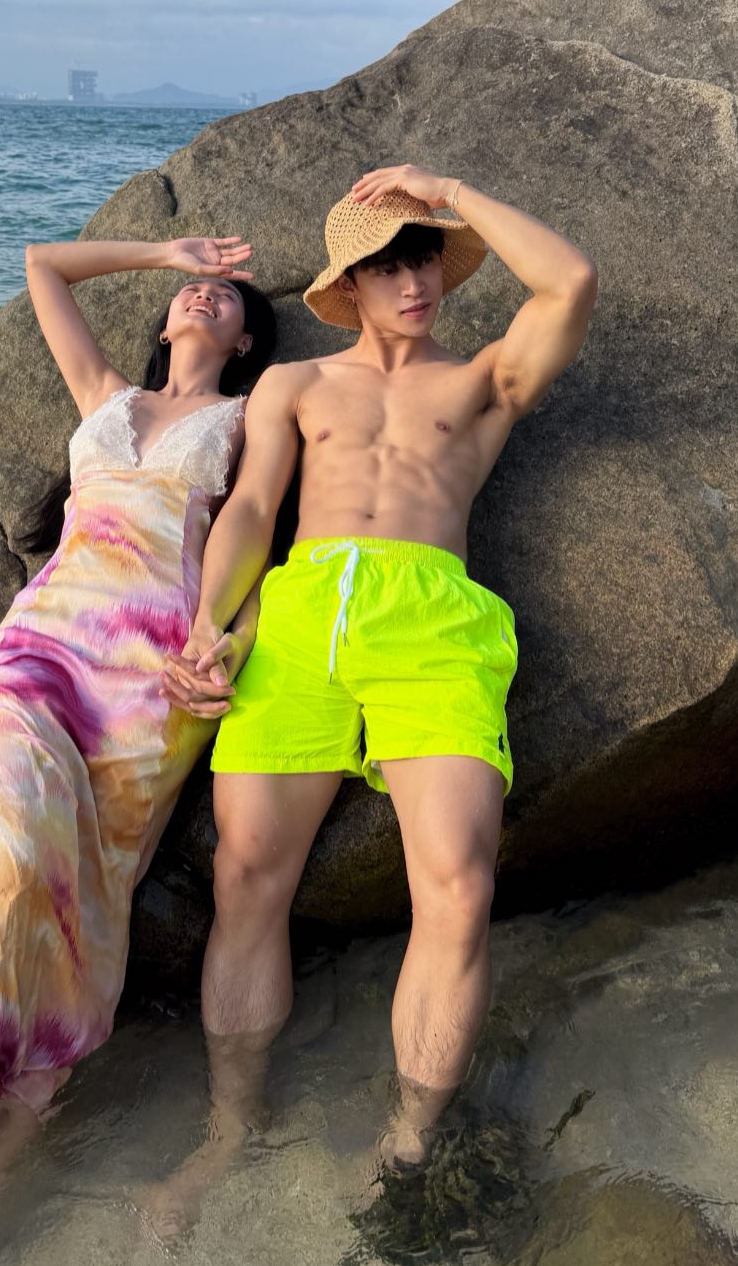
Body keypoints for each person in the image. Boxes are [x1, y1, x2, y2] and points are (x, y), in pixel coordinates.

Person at [161, 162, 597, 1199]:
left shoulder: (481, 379)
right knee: (244, 877)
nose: (416, 281)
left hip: (433, 620)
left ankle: (407, 1144)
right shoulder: (295, 384)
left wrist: (448, 189)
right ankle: (232, 1131)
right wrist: (209, 626)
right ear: (347, 284)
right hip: (302, 615)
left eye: (427, 258)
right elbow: (253, 510)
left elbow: (570, 282)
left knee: (458, 887)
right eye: (390, 265)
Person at [0, 232, 277, 1239]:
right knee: (1, 872)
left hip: (154, 682)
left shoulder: (251, 418)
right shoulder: (106, 397)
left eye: (225, 296)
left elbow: (271, 543)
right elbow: (43, 265)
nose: (205, 295)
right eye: (193, 289)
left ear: (248, 338)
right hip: (41, 649)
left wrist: (233, 643)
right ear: (166, 317)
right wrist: (165, 248)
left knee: (85, 916)